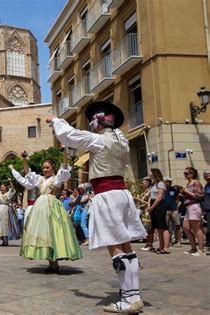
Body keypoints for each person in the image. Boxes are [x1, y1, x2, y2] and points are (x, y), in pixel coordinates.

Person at [50, 101, 147, 313]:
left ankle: (129, 300)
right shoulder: (121, 140)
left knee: (114, 246)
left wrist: (57, 121)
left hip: (107, 196)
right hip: (123, 194)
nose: (91, 124)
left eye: (93, 120)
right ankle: (134, 295)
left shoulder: (99, 140)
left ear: (100, 120)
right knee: (126, 246)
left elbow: (69, 135)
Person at [11, 147, 82, 272]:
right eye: (43, 167)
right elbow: (28, 172)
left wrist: (65, 153)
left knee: (54, 232)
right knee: (45, 234)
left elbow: (64, 167)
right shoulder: (40, 179)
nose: (45, 170)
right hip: (40, 206)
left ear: (53, 168)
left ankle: (54, 262)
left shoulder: (57, 178)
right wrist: (24, 159)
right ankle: (51, 262)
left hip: (52, 205)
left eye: (47, 167)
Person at [181, 167, 205, 256]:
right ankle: (193, 248)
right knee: (186, 228)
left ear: (192, 174)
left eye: (186, 173)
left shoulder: (196, 182)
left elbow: (200, 195)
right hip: (188, 207)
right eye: (184, 173)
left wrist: (186, 191)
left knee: (197, 228)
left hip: (194, 206)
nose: (185, 175)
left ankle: (201, 250)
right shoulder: (188, 184)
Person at [147, 168, 170, 254]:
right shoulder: (154, 184)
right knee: (158, 227)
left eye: (151, 174)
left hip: (159, 205)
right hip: (154, 203)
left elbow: (160, 197)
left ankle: (166, 247)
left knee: (163, 226)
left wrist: (152, 207)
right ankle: (161, 246)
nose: (150, 175)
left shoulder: (160, 184)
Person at [163, 177, 182, 248]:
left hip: (174, 210)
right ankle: (169, 241)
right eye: (167, 181)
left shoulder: (174, 190)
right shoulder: (163, 190)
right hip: (165, 210)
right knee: (167, 226)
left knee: (177, 225)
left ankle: (179, 241)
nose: (168, 183)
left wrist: (175, 206)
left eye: (170, 181)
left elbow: (177, 199)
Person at [136, 178, 153, 251]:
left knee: (149, 228)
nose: (142, 185)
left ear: (147, 184)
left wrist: (140, 200)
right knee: (146, 228)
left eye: (143, 183)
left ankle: (150, 244)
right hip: (143, 211)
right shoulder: (144, 192)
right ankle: (147, 243)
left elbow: (149, 203)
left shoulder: (150, 192)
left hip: (147, 211)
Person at [203, 171, 210, 253]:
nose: (207, 177)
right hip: (207, 209)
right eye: (206, 176)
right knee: (208, 227)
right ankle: (208, 243)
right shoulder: (206, 186)